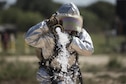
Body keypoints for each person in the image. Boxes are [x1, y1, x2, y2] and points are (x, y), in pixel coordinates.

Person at [25, 2, 94, 84]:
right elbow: (29, 39)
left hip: (70, 76)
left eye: (73, 22)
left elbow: (89, 50)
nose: (70, 27)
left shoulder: (80, 34)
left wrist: (72, 41)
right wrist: (46, 25)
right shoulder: (49, 37)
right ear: (59, 22)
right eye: (67, 22)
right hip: (48, 76)